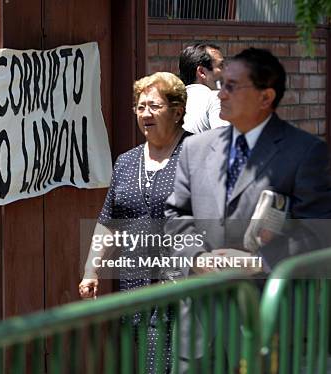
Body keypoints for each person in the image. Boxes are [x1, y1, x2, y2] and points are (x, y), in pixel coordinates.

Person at [166, 47, 331, 276]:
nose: (221, 94)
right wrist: (196, 257)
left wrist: (259, 263)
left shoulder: (305, 153)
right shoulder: (195, 148)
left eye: (231, 87)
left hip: (269, 302)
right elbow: (176, 216)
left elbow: (318, 232)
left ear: (265, 97)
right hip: (203, 302)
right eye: (221, 84)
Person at [79, 72, 190, 373]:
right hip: (136, 292)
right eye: (140, 107)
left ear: (177, 111)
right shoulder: (126, 162)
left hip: (183, 292)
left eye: (154, 106)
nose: (145, 114)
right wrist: (92, 270)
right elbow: (108, 221)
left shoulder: (195, 155)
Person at [179, 43, 229, 134]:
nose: (226, 71)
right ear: (202, 72)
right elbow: (224, 142)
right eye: (221, 65)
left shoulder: (172, 102)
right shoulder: (215, 99)